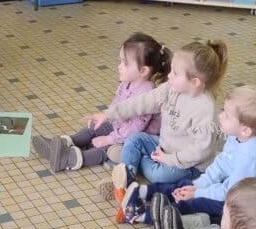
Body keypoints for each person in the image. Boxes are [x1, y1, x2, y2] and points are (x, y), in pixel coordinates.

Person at [90, 39, 228, 220]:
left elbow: (200, 151)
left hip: (189, 165)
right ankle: (125, 182)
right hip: (163, 148)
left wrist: (168, 159)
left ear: (195, 82)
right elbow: (143, 102)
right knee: (135, 139)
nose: (169, 76)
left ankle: (129, 172)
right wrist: (108, 114)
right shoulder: (171, 89)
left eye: (175, 73)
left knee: (160, 175)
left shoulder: (205, 109)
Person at [128, 84, 256, 229]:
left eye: (227, 115)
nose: (220, 116)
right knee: (186, 184)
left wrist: (197, 193)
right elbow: (222, 164)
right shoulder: (240, 136)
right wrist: (198, 185)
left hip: (245, 205)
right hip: (233, 187)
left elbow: (231, 193)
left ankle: (146, 215)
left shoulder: (250, 157)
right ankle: (143, 192)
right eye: (222, 110)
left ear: (246, 129)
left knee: (195, 203)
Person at [32, 32, 168, 172]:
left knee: (108, 150)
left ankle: (70, 159)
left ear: (143, 70)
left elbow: (135, 128)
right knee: (95, 128)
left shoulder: (147, 93)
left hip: (133, 139)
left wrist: (109, 139)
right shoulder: (127, 83)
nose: (119, 66)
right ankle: (64, 143)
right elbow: (116, 105)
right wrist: (105, 118)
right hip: (120, 128)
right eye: (120, 61)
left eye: (125, 63)